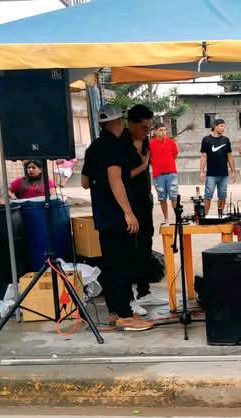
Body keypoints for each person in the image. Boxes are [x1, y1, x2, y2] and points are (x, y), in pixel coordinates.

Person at [80, 104, 152, 332]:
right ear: (119, 122)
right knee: (122, 265)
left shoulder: (93, 147)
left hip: (102, 215)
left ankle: (115, 312)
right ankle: (124, 315)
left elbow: (84, 182)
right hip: (117, 215)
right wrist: (128, 212)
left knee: (111, 265)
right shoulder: (114, 147)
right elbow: (115, 179)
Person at [121, 104, 163, 314]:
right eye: (144, 128)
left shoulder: (145, 140)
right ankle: (129, 297)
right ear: (131, 123)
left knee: (146, 243)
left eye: (149, 128)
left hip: (145, 199)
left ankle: (144, 291)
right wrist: (142, 166)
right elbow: (119, 177)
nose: (147, 132)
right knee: (130, 247)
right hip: (128, 203)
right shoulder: (121, 143)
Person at [199, 119, 236, 216]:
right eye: (221, 126)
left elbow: (230, 156)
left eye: (224, 126)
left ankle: (220, 215)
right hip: (211, 174)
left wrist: (233, 171)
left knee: (222, 196)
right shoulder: (206, 139)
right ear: (215, 126)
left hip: (223, 174)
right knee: (208, 195)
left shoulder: (226, 140)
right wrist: (201, 171)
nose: (223, 128)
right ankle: (205, 216)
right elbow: (203, 156)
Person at [149, 122, 179, 224]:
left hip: (171, 173)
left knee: (174, 196)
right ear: (155, 131)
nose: (163, 132)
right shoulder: (150, 144)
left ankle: (177, 217)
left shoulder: (171, 142)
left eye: (164, 130)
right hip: (158, 175)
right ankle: (166, 218)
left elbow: (175, 155)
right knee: (162, 198)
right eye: (160, 130)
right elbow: (149, 158)